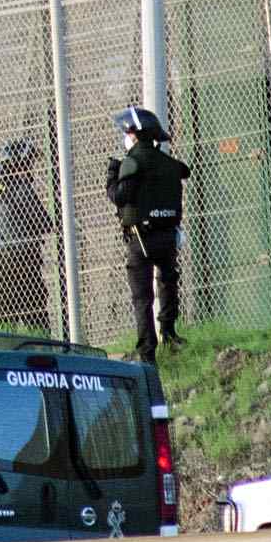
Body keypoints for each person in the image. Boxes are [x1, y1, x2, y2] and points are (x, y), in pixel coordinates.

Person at [105, 106, 190, 355]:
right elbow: (183, 170)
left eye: (127, 133)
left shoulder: (132, 162)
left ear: (133, 135)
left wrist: (112, 175)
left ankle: (147, 349)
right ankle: (169, 332)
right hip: (168, 235)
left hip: (141, 238)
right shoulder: (168, 163)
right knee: (167, 281)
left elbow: (119, 197)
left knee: (142, 296)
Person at [0, 139, 53, 336]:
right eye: (29, 163)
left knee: (4, 315)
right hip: (22, 259)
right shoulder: (21, 187)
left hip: (0, 259)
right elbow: (44, 222)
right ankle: (43, 350)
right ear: (20, 163)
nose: (31, 169)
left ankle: (2, 352)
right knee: (35, 312)